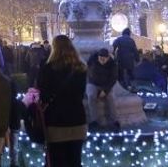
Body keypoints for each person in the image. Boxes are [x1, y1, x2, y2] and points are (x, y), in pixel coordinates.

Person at [37, 35, 87, 167]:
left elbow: (43, 95)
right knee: (75, 161)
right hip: (77, 120)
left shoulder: (48, 68)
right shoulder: (81, 68)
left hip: (56, 122)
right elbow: (81, 94)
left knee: (56, 161)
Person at [86, 48, 120, 130]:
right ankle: (94, 121)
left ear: (108, 58)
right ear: (98, 57)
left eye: (104, 59)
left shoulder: (112, 64)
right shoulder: (93, 59)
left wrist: (105, 90)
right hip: (93, 83)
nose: (102, 61)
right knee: (91, 96)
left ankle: (114, 121)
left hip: (106, 84)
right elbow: (90, 73)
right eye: (101, 59)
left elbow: (113, 79)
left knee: (111, 97)